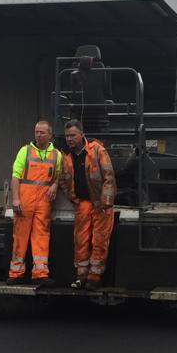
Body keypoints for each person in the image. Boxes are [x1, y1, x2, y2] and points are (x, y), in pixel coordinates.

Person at [59, 120, 115, 291]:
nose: (69, 139)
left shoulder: (97, 150)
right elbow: (63, 180)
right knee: (80, 239)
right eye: (67, 136)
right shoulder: (66, 157)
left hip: (100, 204)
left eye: (73, 135)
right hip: (82, 203)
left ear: (82, 135)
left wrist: (106, 202)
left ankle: (94, 277)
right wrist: (73, 198)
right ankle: (81, 276)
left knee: (99, 240)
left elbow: (109, 176)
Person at [7, 120, 61, 285]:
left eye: (42, 132)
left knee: (41, 237)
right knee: (20, 237)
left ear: (50, 135)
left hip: (44, 202)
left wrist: (55, 185)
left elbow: (60, 175)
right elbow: (15, 176)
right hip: (25, 201)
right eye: (36, 132)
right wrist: (15, 198)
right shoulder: (25, 151)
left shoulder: (57, 155)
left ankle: (40, 273)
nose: (38, 135)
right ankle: (16, 274)